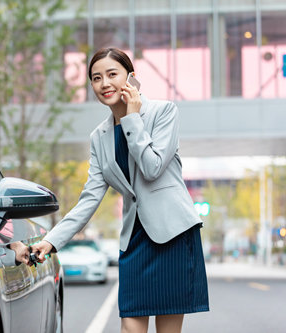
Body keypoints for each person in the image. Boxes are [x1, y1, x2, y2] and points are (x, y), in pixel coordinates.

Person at [31, 47, 209, 333]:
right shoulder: (99, 137)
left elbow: (152, 168)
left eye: (112, 74)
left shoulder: (163, 112)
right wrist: (51, 242)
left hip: (173, 235)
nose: (105, 83)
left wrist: (132, 118)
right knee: (130, 327)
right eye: (96, 77)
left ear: (131, 78)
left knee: (168, 330)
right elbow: (89, 198)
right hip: (135, 240)